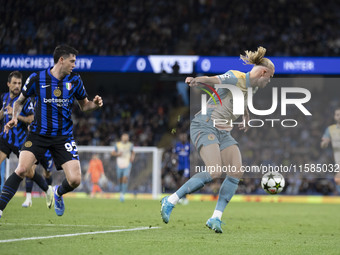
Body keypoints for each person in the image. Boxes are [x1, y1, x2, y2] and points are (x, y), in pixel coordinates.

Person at [161, 46, 275, 233]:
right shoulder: (235, 77)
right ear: (263, 72)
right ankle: (171, 200)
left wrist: (246, 117)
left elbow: (243, 101)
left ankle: (215, 218)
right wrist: (198, 80)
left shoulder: (249, 87)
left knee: (236, 171)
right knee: (215, 171)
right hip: (205, 124)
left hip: (223, 131)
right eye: (270, 77)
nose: (269, 81)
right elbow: (214, 79)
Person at [0, 45, 103, 219]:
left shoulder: (75, 80)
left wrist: (95, 104)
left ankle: (58, 192)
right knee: (22, 169)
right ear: (61, 60)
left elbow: (85, 105)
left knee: (75, 180)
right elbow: (19, 102)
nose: (74, 65)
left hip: (63, 137)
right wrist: (15, 118)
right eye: (72, 61)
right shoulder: (37, 78)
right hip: (38, 134)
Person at [0, 71, 53, 209]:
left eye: (19, 83)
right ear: (8, 84)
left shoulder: (26, 100)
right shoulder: (4, 97)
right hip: (6, 138)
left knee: (28, 173)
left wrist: (16, 116)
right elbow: (2, 112)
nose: (18, 86)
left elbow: (31, 119)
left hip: (21, 141)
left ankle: (47, 189)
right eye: (15, 83)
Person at [321, 107, 340, 195]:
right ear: (334, 117)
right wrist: (325, 142)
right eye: (337, 115)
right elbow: (323, 145)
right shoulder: (330, 129)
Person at [111, 133, 135, 202]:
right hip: (119, 163)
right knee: (120, 180)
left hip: (127, 163)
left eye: (126, 137)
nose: (125, 138)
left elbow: (133, 152)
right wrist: (117, 154)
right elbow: (112, 153)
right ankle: (121, 192)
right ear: (121, 138)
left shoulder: (130, 145)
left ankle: (123, 194)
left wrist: (132, 158)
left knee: (125, 178)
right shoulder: (118, 144)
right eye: (124, 137)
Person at [172, 133, 190, 204]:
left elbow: (193, 155)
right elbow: (173, 154)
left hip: (186, 166)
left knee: (184, 181)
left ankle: (185, 198)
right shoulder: (177, 145)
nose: (183, 138)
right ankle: (178, 197)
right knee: (178, 182)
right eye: (182, 136)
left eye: (184, 137)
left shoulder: (188, 145)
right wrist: (174, 161)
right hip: (179, 166)